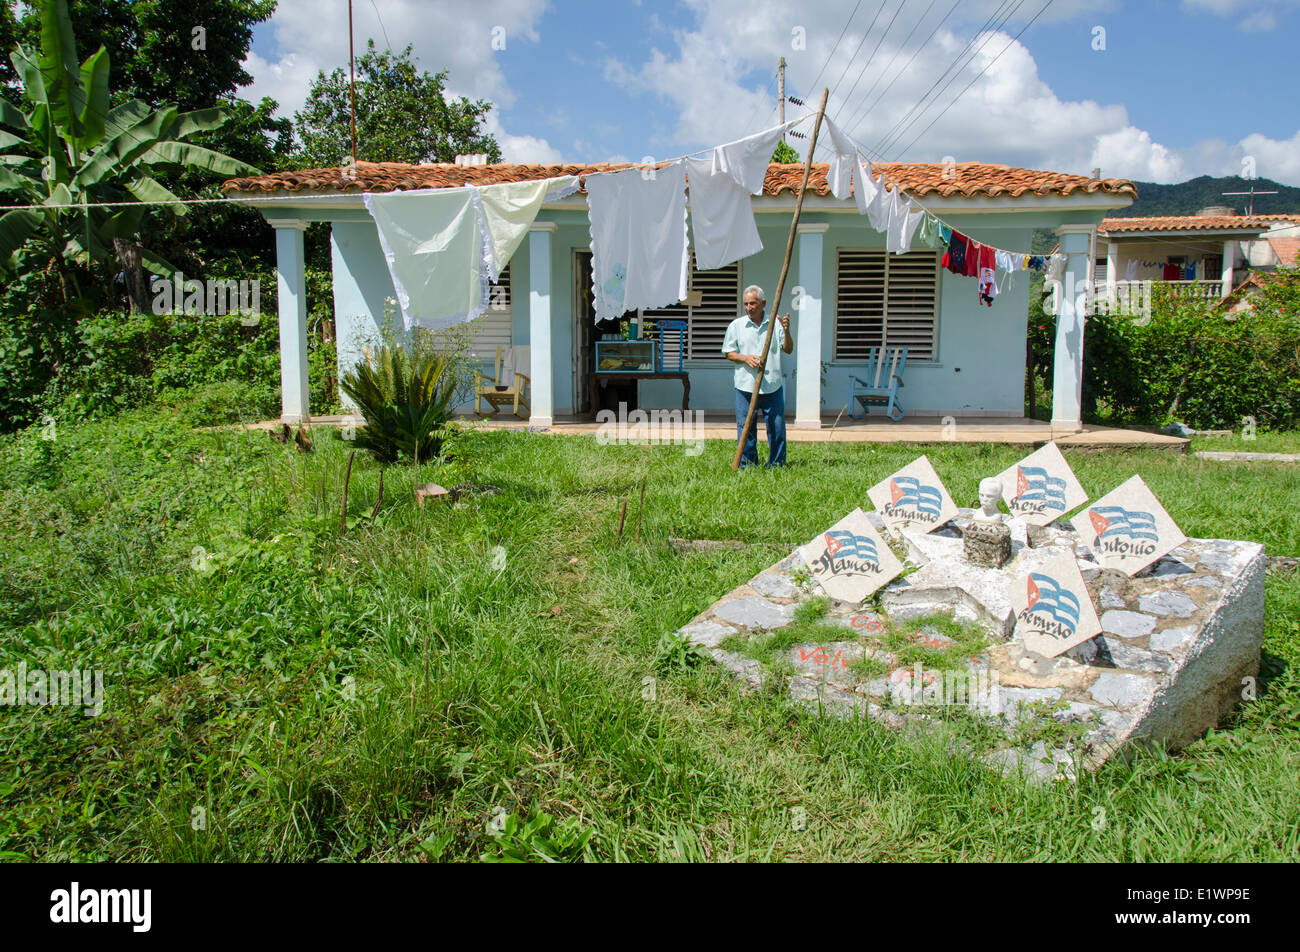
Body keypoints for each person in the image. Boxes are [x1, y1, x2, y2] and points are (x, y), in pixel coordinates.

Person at [723, 285, 793, 468]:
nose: (748, 308)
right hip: (745, 386)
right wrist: (745, 358)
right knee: (746, 429)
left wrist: (786, 331)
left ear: (763, 303)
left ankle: (777, 464)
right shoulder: (736, 326)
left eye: (752, 303)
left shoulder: (774, 323)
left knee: (777, 428)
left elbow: (788, 349)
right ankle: (747, 465)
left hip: (772, 386)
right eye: (745, 304)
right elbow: (728, 353)